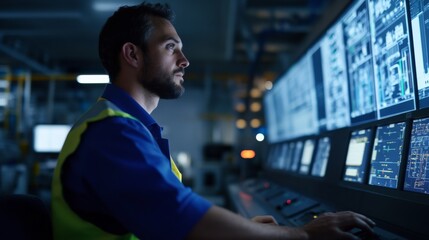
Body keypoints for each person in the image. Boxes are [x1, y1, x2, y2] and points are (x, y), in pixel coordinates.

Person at [51, 2, 376, 239]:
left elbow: (176, 212)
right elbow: (180, 219)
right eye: (170, 47)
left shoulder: (131, 127)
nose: (185, 61)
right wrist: (300, 235)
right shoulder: (111, 131)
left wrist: (244, 230)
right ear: (133, 55)